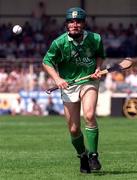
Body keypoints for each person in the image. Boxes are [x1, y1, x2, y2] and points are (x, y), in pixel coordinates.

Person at [42, 7, 106, 173]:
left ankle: (93, 155)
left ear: (83, 24)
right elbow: (46, 62)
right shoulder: (58, 43)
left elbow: (100, 55)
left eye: (78, 21)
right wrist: (57, 79)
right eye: (71, 21)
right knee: (73, 129)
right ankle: (82, 155)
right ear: (67, 24)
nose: (74, 24)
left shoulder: (95, 39)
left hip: (89, 81)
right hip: (69, 85)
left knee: (90, 115)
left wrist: (98, 68)